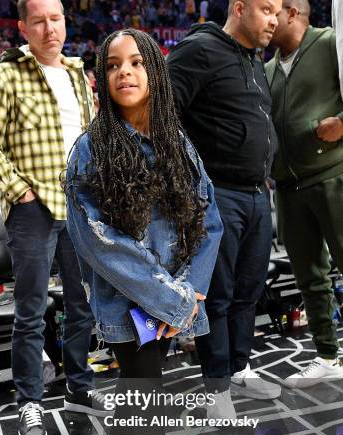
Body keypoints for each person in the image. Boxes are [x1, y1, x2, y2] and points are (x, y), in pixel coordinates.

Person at [66, 28, 223, 435]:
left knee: (137, 399)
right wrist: (171, 298)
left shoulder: (178, 142)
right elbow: (99, 243)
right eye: (113, 65)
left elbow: (209, 219)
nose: (125, 72)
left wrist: (194, 289)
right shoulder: (89, 151)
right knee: (149, 403)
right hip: (126, 304)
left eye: (136, 62)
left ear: (154, 72)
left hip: (174, 298)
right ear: (103, 80)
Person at [0, 0, 105, 435]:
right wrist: (18, 190)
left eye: (57, 19)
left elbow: (89, 138)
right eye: (40, 21)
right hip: (33, 209)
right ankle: (30, 400)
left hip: (79, 206)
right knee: (29, 310)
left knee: (82, 303)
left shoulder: (74, 73)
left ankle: (79, 386)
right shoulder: (5, 75)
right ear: (22, 27)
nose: (50, 29)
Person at [167, 0, 282, 413]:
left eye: (279, 11)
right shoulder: (200, 49)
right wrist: (186, 181)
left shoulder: (253, 61)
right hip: (217, 193)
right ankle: (216, 385)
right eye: (267, 9)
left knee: (248, 289)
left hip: (256, 192)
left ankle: (238, 366)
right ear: (239, 7)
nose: (274, 19)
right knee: (217, 293)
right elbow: (163, 111)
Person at [266, 0, 343, 387]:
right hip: (289, 188)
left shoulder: (331, 43)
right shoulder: (265, 69)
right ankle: (328, 356)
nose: (266, 20)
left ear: (292, 13)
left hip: (332, 175)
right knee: (310, 278)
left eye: (272, 12)